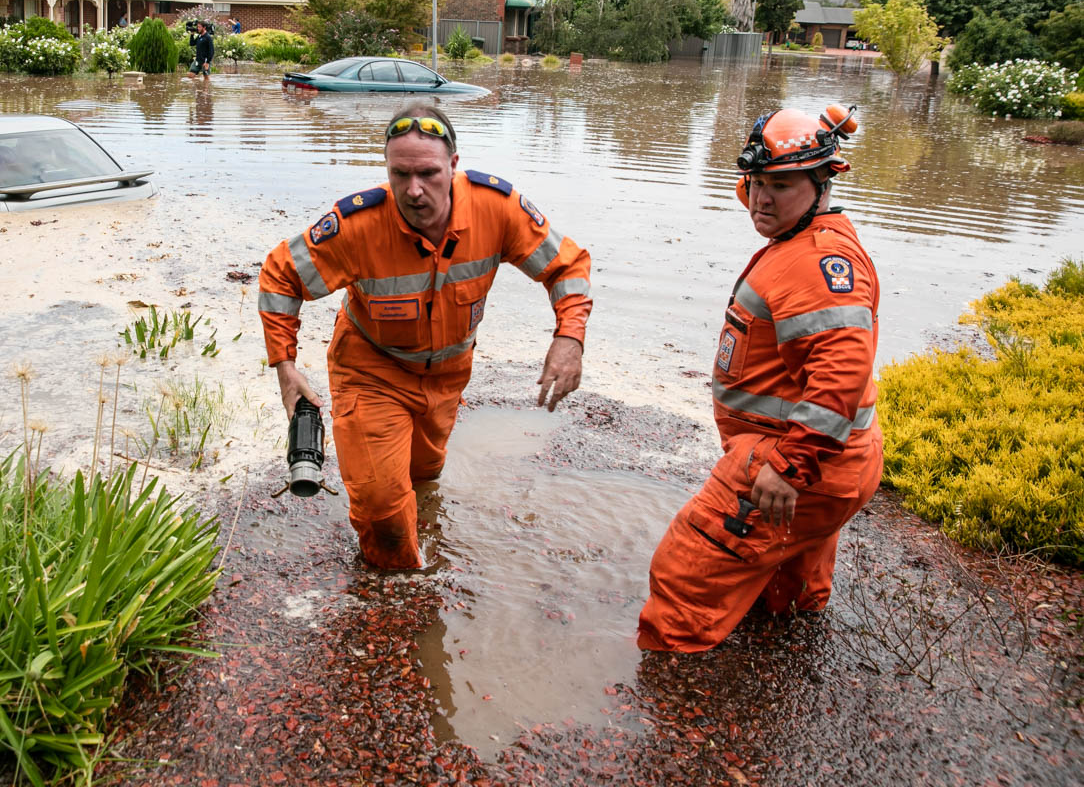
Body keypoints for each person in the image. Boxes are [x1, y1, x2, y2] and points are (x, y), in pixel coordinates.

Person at [258, 104, 594, 570]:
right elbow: (280, 277)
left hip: (448, 377)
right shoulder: (357, 226)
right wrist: (285, 367)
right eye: (400, 175)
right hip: (371, 369)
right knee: (382, 508)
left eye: (429, 174)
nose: (414, 191)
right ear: (387, 170)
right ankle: (397, 592)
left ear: (454, 166)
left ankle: (421, 546)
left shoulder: (496, 208)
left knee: (424, 478)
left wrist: (569, 338)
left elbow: (567, 266)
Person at [638, 104, 882, 652]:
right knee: (787, 586)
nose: (761, 199)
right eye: (754, 184)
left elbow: (841, 372)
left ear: (824, 183)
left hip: (795, 464)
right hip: (835, 463)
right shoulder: (805, 240)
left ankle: (673, 700)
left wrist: (789, 468)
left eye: (781, 185)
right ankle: (784, 658)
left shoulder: (815, 264)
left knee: (686, 576)